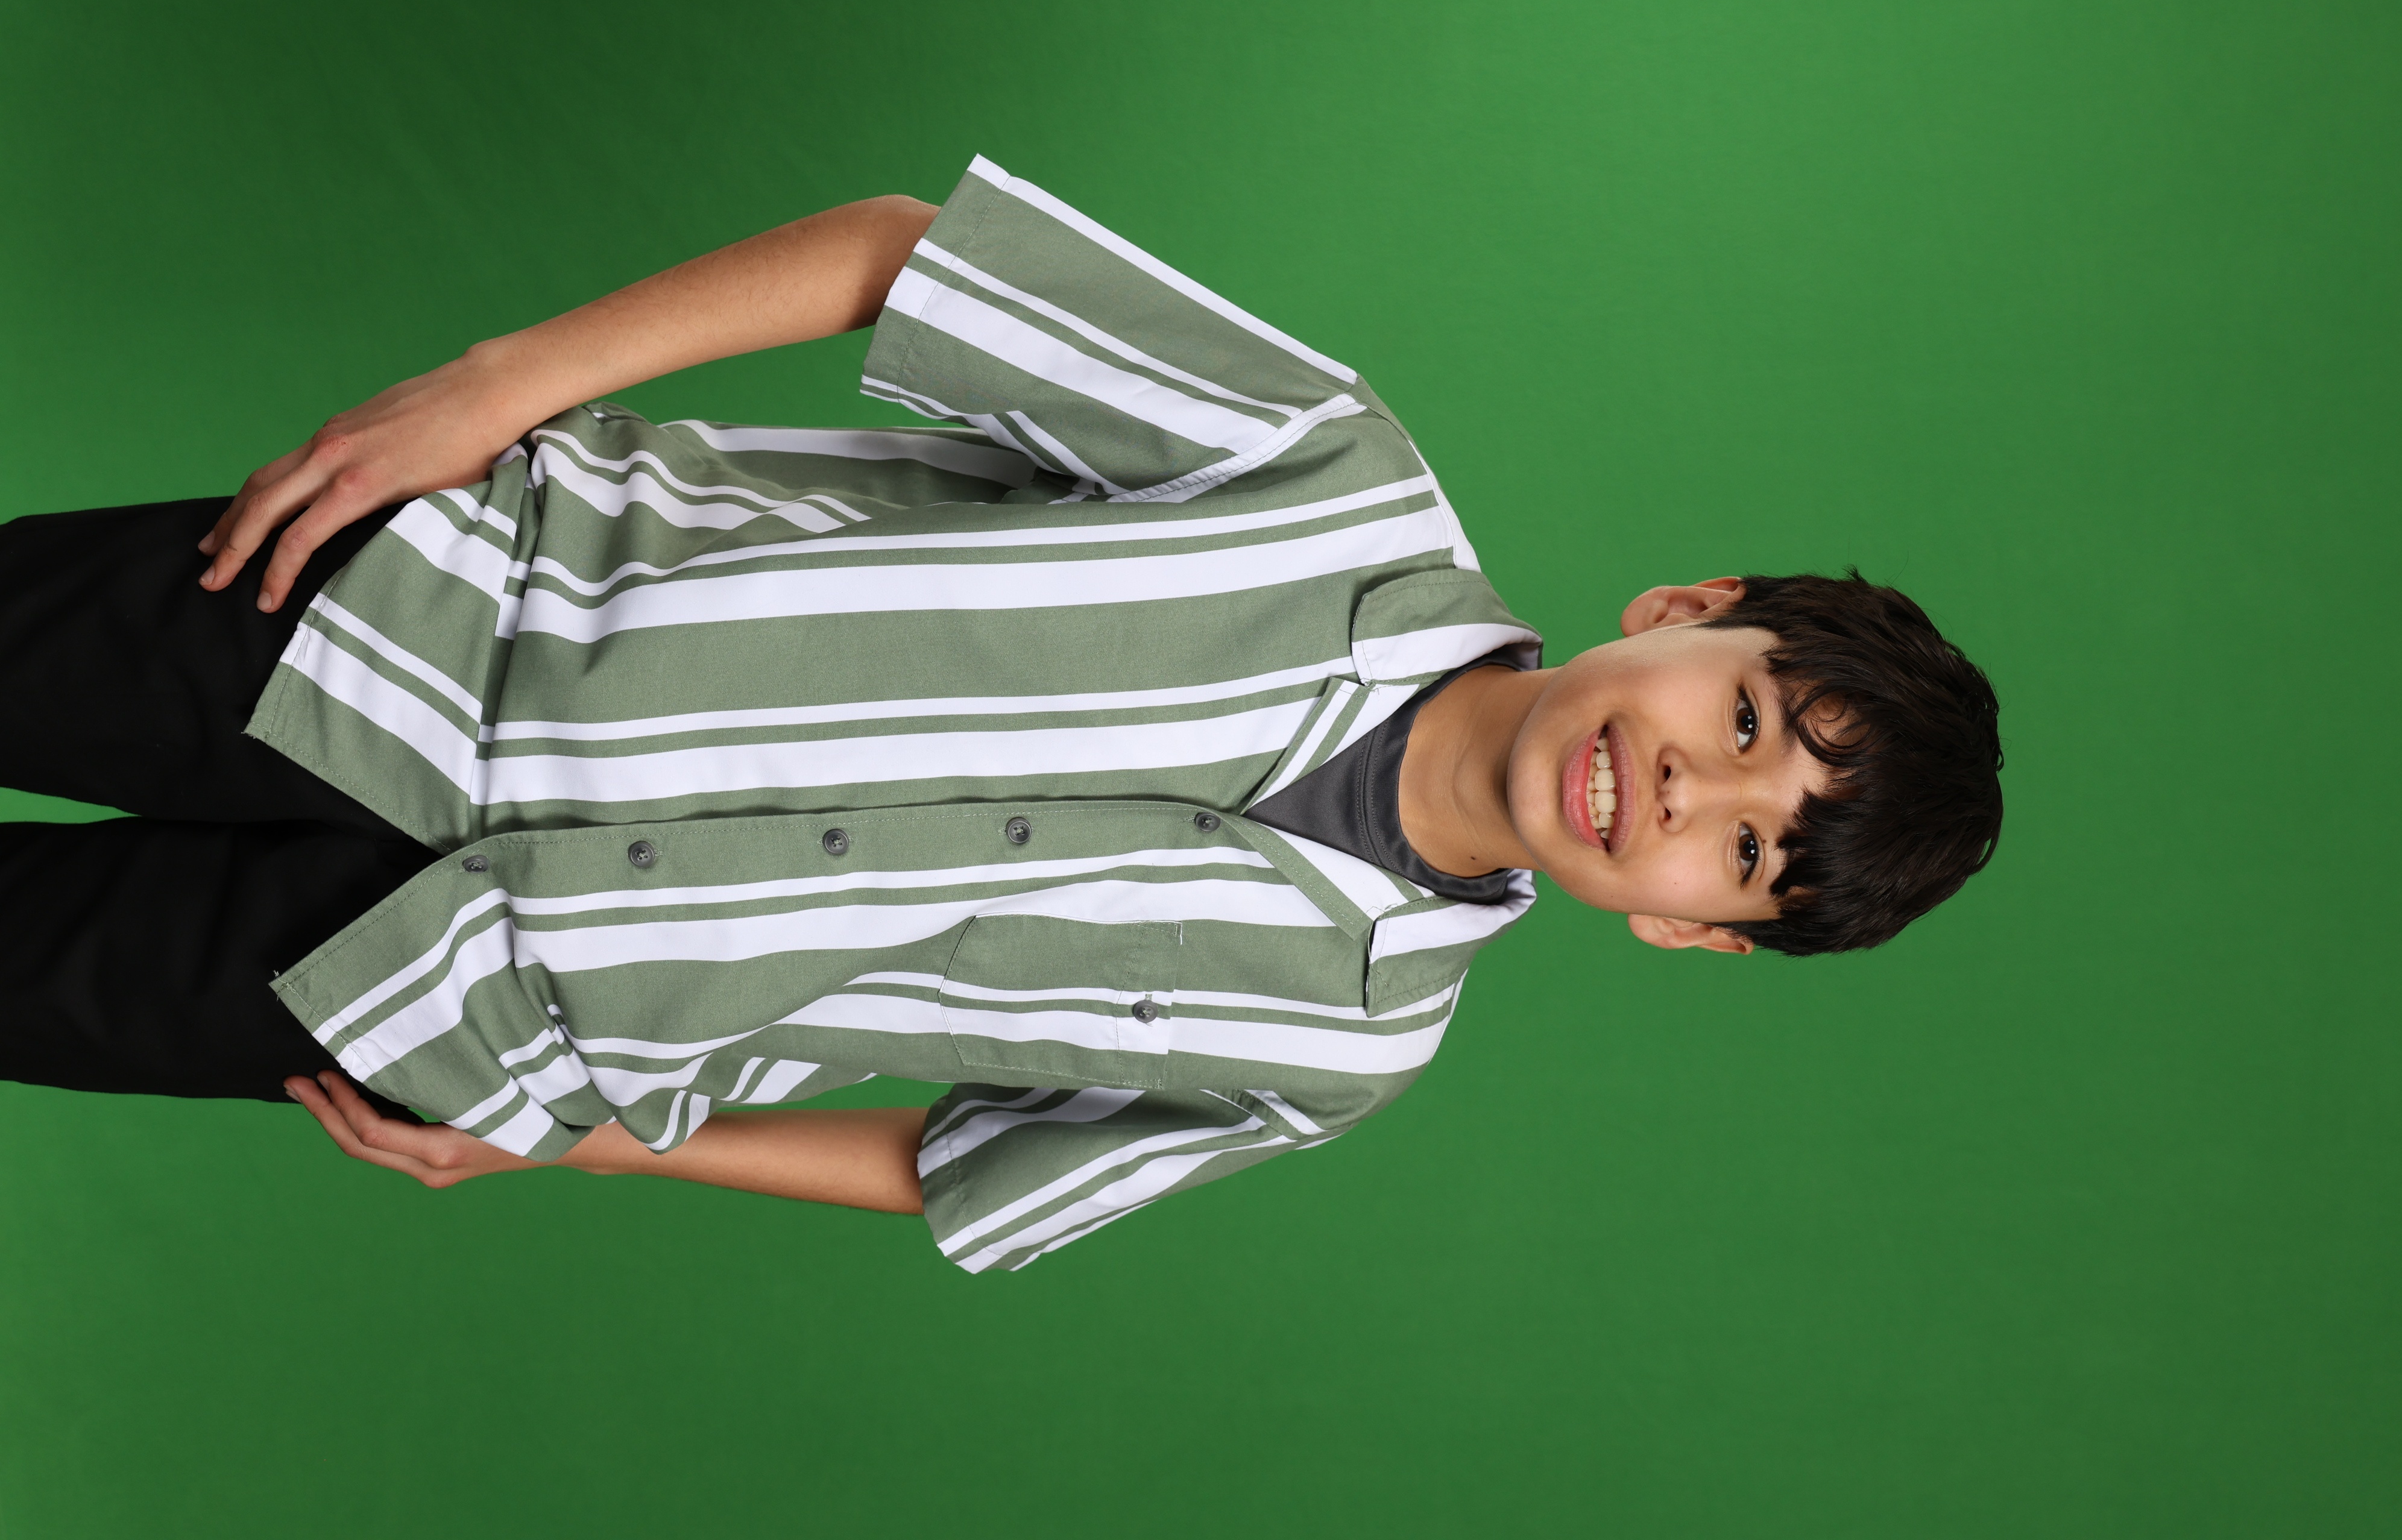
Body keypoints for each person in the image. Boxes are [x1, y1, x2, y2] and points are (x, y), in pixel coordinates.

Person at [0, 159, 2002, 1271]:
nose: (1688, 787)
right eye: (1750, 719)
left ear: (1689, 931)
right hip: (426, 623)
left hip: (474, 1004)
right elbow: (905, 260)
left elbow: (956, 1169)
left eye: (1744, 852)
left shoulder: (1344, 1052)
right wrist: (496, 386)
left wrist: (602, 1151)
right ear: (1687, 613)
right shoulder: (1335, 470)